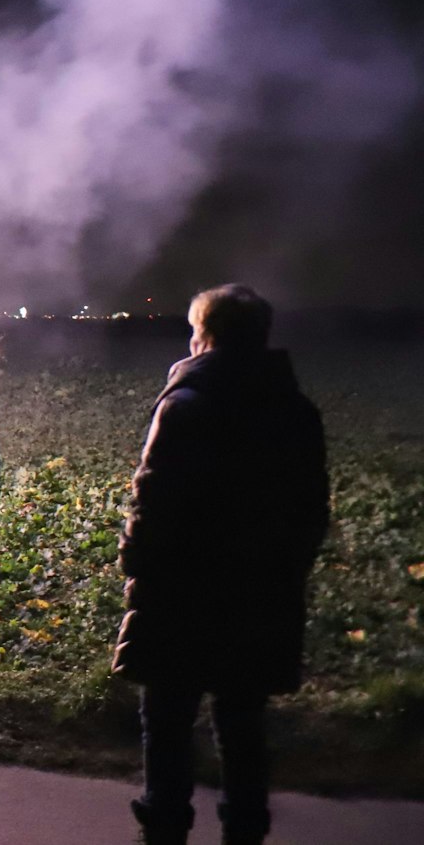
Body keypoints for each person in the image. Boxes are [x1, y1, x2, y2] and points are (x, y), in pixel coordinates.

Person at [113, 284, 327, 845]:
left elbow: (154, 499)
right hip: (260, 595)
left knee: (168, 719)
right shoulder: (296, 411)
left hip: (181, 593)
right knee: (243, 723)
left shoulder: (186, 405)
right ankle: (246, 827)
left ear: (203, 335)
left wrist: (136, 560)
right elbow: (311, 510)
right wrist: (286, 571)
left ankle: (164, 823)